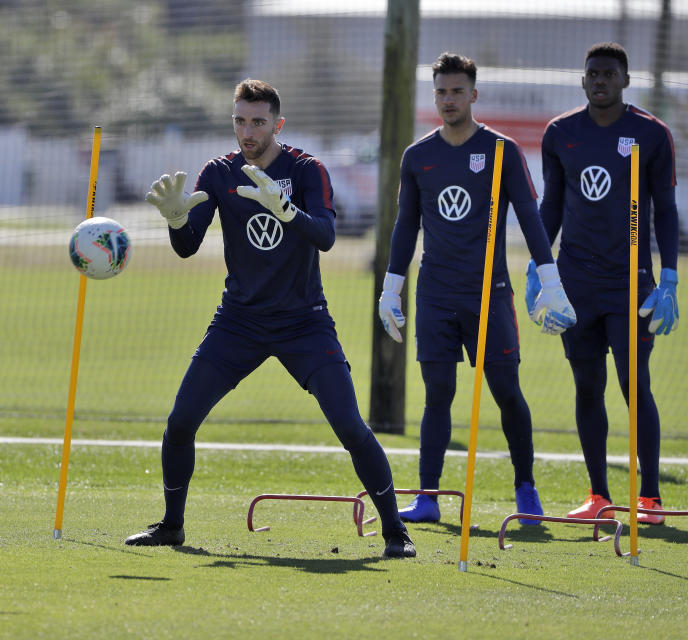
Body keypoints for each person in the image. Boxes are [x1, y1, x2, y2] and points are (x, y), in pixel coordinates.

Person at [126, 78, 416, 558]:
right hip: (238, 321)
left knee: (349, 426)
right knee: (180, 422)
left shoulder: (306, 169)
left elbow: (325, 236)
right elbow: (187, 247)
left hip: (304, 322)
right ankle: (172, 526)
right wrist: (178, 220)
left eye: (258, 122)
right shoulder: (218, 173)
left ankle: (395, 533)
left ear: (277, 124)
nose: (248, 131)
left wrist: (286, 210)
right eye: (240, 120)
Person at [378, 52, 576, 525]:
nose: (448, 100)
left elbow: (530, 216)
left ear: (474, 94)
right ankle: (428, 496)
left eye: (457, 91)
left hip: (491, 292)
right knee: (438, 391)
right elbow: (406, 226)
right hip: (436, 295)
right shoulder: (418, 157)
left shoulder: (502, 150)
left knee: (506, 390)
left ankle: (526, 490)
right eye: (441, 92)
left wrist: (550, 279)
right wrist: (391, 289)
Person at [529, 42, 679, 524]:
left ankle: (650, 499)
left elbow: (667, 211)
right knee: (586, 386)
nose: (600, 81)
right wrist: (538, 265)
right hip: (575, 283)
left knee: (635, 384)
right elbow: (551, 205)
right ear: (582, 80)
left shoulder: (651, 135)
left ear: (625, 81)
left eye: (609, 74)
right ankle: (598, 497)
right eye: (592, 73)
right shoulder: (561, 133)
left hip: (630, 282)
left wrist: (670, 277)